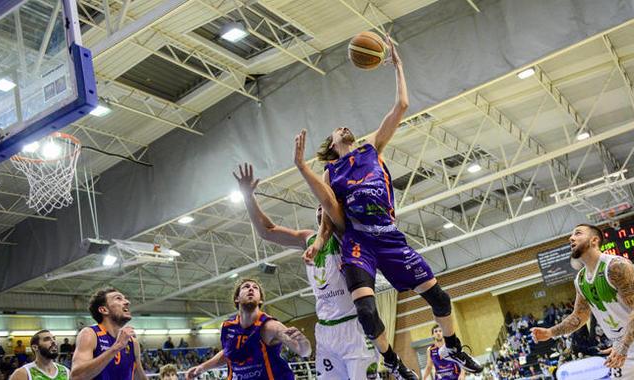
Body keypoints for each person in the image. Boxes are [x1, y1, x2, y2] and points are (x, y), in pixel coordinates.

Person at [292, 36, 482, 378]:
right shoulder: (331, 171)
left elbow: (402, 106)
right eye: (337, 131)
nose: (344, 129)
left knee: (439, 299)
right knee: (366, 311)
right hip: (358, 242)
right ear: (332, 146)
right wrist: (319, 242)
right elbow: (328, 212)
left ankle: (453, 347)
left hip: (390, 238)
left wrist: (399, 66)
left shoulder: (371, 149)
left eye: (345, 127)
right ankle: (391, 359)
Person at [234, 163, 379, 379]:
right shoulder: (308, 239)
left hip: (354, 326)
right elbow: (267, 231)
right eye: (318, 207)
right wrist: (248, 197)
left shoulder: (346, 234)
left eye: (325, 205)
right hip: (326, 331)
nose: (321, 209)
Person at [531, 224, 634, 379]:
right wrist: (550, 332)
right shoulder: (580, 280)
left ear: (594, 240)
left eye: (578, 233)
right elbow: (579, 316)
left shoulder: (616, 266)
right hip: (621, 346)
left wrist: (623, 345)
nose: (571, 238)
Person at [185, 278, 311, 380]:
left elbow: (304, 352)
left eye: (255, 288)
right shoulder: (228, 327)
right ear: (237, 298)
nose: (251, 288)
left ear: (260, 299)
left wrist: (303, 342)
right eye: (246, 287)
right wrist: (202, 367)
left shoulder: (270, 327)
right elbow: (228, 353)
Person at [71, 288, 148, 380]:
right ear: (104, 310)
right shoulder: (90, 334)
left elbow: (139, 377)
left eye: (125, 298)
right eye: (118, 298)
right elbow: (76, 376)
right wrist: (117, 347)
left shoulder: (132, 342)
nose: (127, 302)